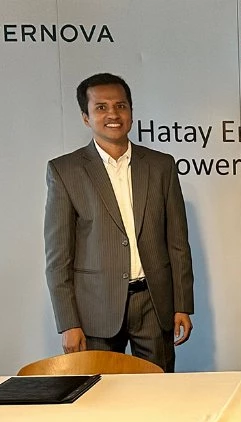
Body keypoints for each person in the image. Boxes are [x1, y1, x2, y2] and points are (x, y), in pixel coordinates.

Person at [44, 73, 194, 372]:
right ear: (86, 117)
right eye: (101, 107)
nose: (113, 114)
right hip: (95, 309)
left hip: (153, 304)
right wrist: (68, 323)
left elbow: (177, 242)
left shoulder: (161, 165)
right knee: (101, 394)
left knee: (158, 389)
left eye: (120, 106)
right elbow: (58, 256)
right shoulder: (65, 171)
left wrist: (182, 304)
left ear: (131, 112)